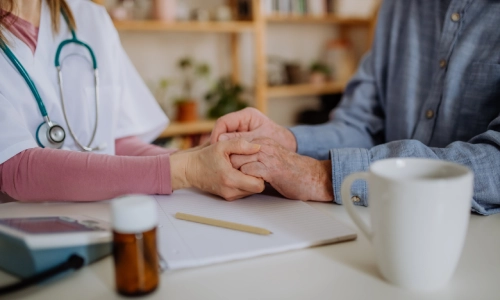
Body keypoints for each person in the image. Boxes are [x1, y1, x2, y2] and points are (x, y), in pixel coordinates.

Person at [211, 0, 500, 215]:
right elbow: (361, 124)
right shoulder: (397, 7)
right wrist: (288, 140)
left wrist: (322, 176)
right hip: (381, 221)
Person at [0, 0, 265, 203]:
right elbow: (17, 170)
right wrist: (185, 169)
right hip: (27, 235)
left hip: (106, 219)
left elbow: (117, 140)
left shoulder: (91, 18)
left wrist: (203, 159)